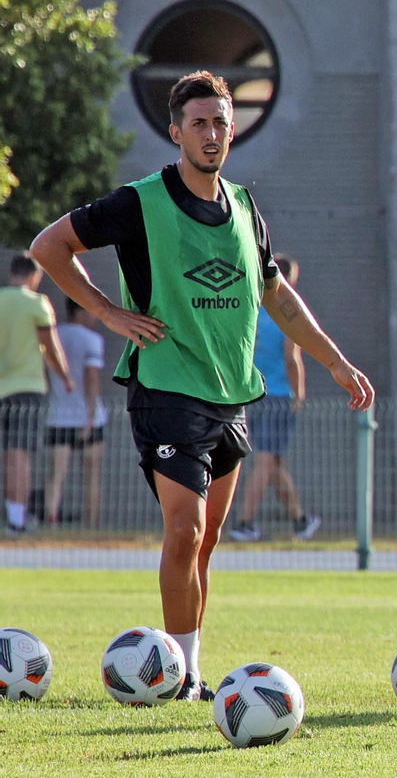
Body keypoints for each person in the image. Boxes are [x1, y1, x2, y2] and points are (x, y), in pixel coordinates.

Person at [31, 71, 374, 701]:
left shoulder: (244, 206)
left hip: (232, 395)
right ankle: (180, 678)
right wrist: (107, 312)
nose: (211, 134)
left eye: (220, 122)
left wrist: (335, 361)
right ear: (176, 132)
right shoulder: (140, 202)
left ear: (232, 129)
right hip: (165, 388)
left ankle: (188, 666)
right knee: (185, 531)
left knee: (208, 539)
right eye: (198, 124)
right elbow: (49, 246)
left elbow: (277, 296)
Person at [231, 253, 319, 542]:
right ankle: (243, 522)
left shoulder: (251, 309)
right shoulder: (286, 313)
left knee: (275, 462)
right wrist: (299, 393)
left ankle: (299, 520)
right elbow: (292, 357)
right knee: (266, 460)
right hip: (278, 396)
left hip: (252, 394)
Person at [0, 254, 71, 534]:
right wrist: (66, 377)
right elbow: (50, 346)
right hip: (27, 388)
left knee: (8, 455)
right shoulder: (37, 303)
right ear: (34, 276)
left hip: (2, 388)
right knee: (20, 454)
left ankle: (12, 515)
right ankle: (17, 521)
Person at [45, 297, 107, 528]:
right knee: (92, 476)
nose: (96, 316)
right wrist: (89, 417)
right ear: (80, 310)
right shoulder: (92, 339)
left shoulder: (55, 335)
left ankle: (51, 525)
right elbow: (92, 378)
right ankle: (91, 529)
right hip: (90, 419)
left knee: (56, 476)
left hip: (58, 416)